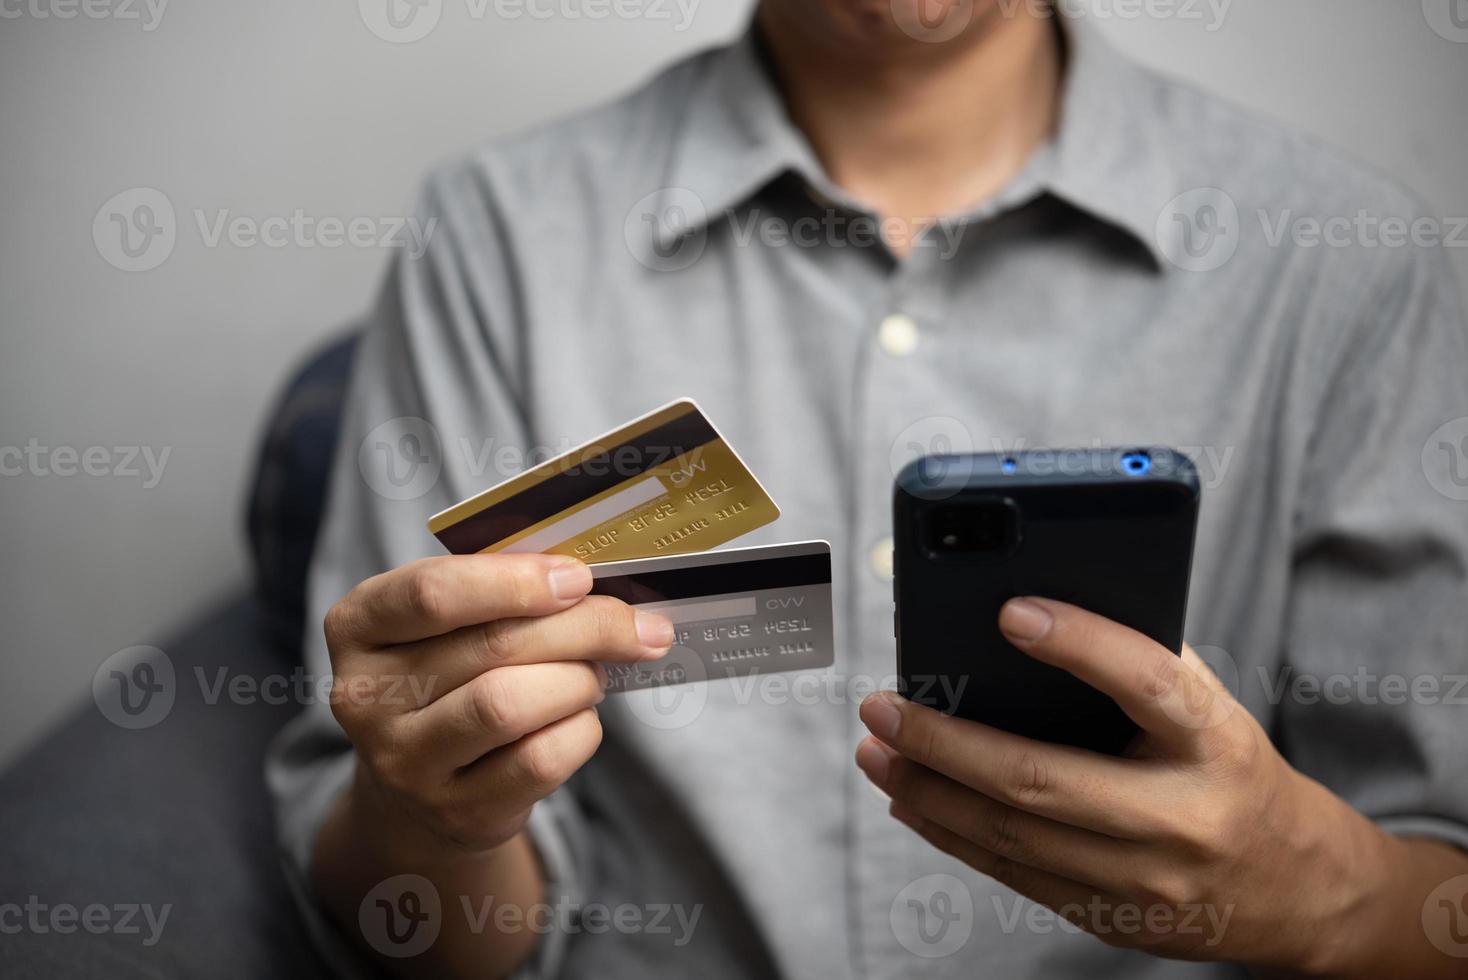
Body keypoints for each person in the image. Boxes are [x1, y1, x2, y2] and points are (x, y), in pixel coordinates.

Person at [267, 2, 1468, 977]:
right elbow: (420, 931)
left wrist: (1320, 895)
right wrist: (429, 816)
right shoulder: (495, 238)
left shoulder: (1345, 266)